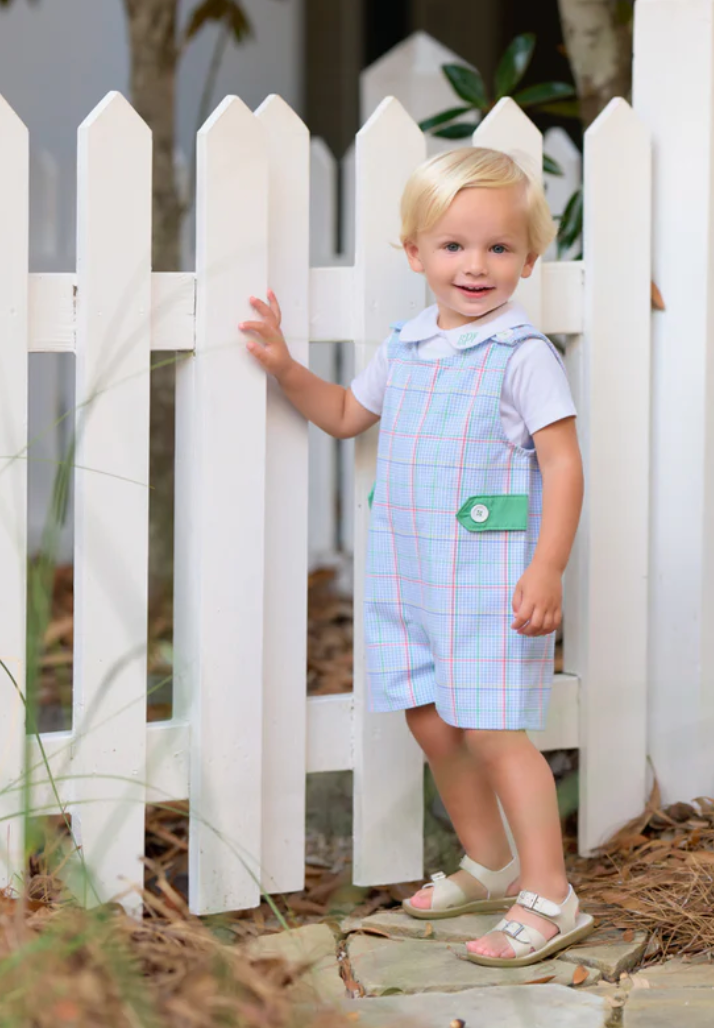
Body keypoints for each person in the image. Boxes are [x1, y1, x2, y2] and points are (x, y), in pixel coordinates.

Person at [239, 146, 593, 967]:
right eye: (454, 246)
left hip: (492, 580)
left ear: (529, 260)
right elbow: (340, 414)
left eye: (499, 248)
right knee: (432, 722)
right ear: (415, 254)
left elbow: (563, 465)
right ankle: (492, 862)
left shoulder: (521, 354)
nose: (476, 265)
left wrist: (547, 568)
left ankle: (551, 892)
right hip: (410, 576)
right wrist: (288, 367)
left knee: (498, 733)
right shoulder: (404, 346)